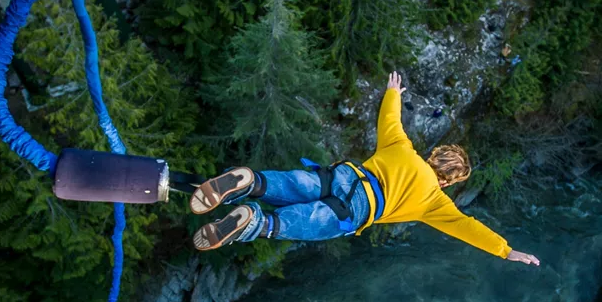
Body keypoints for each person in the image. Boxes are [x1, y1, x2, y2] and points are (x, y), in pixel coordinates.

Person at [190, 72, 540, 266]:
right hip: (358, 209)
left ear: (434, 155)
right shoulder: (435, 202)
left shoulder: (401, 147)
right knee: (296, 223)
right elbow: (467, 228)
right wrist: (506, 250)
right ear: (448, 182)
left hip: (344, 176)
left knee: (296, 184)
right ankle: (254, 221)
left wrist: (393, 92)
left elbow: (390, 119)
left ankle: (250, 181)